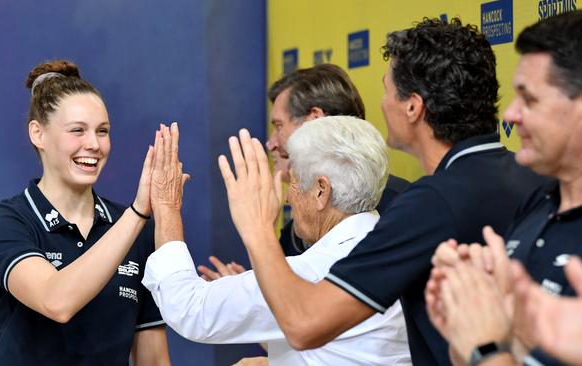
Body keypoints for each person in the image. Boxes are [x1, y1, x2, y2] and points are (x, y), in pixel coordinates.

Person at [215, 18, 546, 365]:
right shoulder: (535, 179)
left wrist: (256, 228)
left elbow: (303, 324)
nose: (382, 104)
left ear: (413, 107)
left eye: (387, 90)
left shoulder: (429, 204)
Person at [142, 116, 411, 365]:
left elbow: (190, 309)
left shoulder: (315, 272)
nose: (288, 197)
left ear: (321, 191)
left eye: (293, 182)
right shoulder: (396, 250)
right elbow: (340, 349)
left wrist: (166, 205)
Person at [0, 60, 170, 365]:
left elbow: (154, 358)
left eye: (102, 131)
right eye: (77, 131)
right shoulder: (5, 221)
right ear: (38, 134)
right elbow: (56, 301)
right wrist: (138, 213)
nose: (93, 144)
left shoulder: (136, 228)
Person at [425, 10, 582, 366]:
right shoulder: (537, 205)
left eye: (530, 99)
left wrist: (486, 346)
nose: (510, 115)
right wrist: (468, 314)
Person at [197, 64, 409, 280]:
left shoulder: (402, 209)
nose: (271, 144)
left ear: (314, 120)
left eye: (279, 126)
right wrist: (251, 290)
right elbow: (291, 299)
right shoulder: (296, 230)